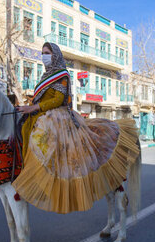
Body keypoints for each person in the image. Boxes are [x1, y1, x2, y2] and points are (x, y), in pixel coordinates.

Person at [13, 42, 140, 214]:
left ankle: (49, 180)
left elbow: (58, 100)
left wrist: (34, 108)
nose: (44, 56)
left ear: (55, 55)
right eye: (42, 53)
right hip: (42, 112)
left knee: (41, 138)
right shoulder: (45, 76)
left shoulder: (62, 74)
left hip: (58, 114)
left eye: (47, 53)